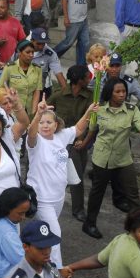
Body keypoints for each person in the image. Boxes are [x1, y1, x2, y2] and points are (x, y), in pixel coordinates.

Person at [26, 95, 96, 266]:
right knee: (54, 234)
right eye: (42, 122)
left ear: (56, 125)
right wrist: (38, 114)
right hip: (41, 199)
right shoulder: (35, 142)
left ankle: (30, 260)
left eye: (49, 122)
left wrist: (88, 111)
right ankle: (58, 274)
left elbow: (78, 129)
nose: (45, 125)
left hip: (58, 197)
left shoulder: (61, 137)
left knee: (42, 231)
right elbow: (30, 133)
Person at [82, 78, 140, 239]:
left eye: (124, 91)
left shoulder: (131, 110)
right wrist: (83, 144)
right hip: (102, 158)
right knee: (97, 193)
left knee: (133, 194)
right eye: (118, 92)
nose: (122, 94)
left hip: (123, 158)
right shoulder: (99, 110)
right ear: (110, 93)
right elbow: (92, 131)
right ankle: (90, 223)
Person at [48, 64, 93, 223]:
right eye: (87, 77)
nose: (90, 78)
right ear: (79, 80)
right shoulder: (59, 95)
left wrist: (83, 139)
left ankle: (78, 209)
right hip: (59, 141)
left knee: (77, 176)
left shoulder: (89, 97)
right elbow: (46, 113)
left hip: (77, 142)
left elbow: (91, 121)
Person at [55, 0, 90, 66]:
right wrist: (66, 17)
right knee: (68, 43)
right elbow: (64, 0)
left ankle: (81, 67)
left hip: (83, 19)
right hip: (73, 20)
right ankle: (51, 56)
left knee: (84, 43)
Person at [31, 26, 66, 96]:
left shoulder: (50, 54)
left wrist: (66, 92)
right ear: (32, 40)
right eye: (38, 43)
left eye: (43, 43)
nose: (41, 47)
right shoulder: (21, 50)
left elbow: (59, 74)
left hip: (41, 88)